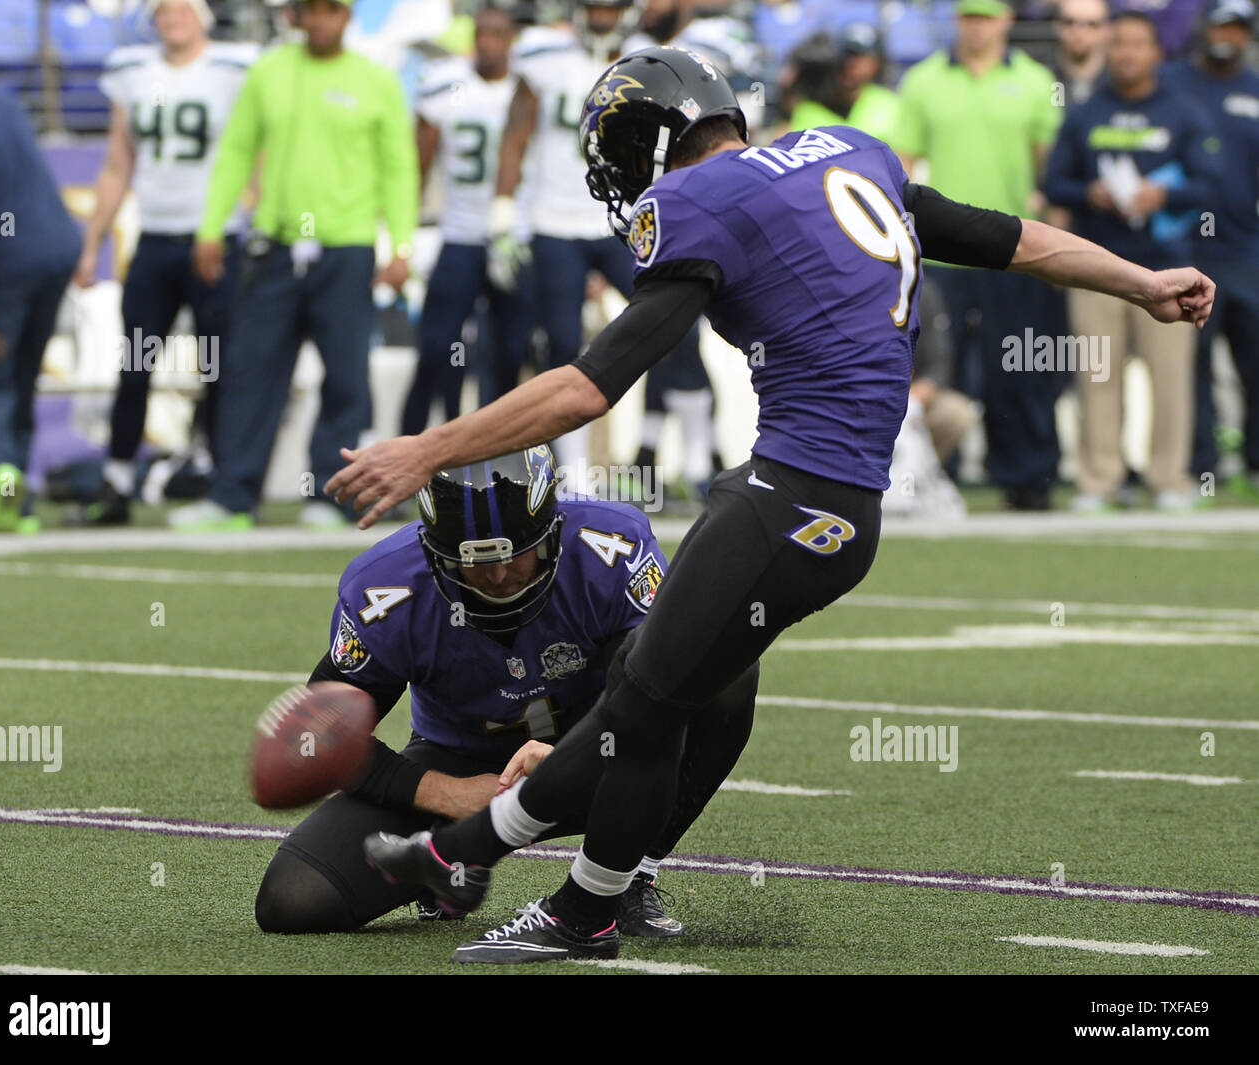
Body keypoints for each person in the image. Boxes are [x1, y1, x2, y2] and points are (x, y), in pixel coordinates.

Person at [329, 47, 1213, 964]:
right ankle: (531, 884)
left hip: (793, 492)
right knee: (655, 694)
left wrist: (427, 449)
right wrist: (1141, 280)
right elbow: (1012, 237)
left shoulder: (698, 203)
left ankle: (503, 877)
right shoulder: (846, 148)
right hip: (840, 506)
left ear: (653, 144)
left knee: (641, 695)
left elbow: (591, 388)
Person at [255, 445, 758, 937]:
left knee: (725, 674)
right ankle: (448, 863)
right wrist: (442, 791)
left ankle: (623, 876)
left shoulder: (611, 546)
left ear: (551, 531)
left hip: (605, 748)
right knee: (295, 899)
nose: (496, 575)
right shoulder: (386, 590)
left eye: (515, 554)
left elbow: (662, 684)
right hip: (460, 760)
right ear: (434, 550)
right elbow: (320, 734)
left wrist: (576, 756)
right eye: (473, 561)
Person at [170, 0, 418, 531]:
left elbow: (399, 168)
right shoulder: (270, 70)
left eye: (332, 10)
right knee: (250, 371)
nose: (321, 20)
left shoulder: (375, 80)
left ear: (348, 17)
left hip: (347, 248)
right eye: (313, 10)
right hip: (276, 247)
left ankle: (329, 497)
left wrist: (401, 247)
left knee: (346, 377)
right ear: (299, 16)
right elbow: (237, 150)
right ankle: (232, 496)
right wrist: (211, 227)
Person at [490, 0, 714, 497]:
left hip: (625, 220)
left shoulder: (649, 62)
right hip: (554, 222)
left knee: (679, 329)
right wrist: (502, 212)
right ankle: (572, 479)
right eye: (594, 6)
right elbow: (515, 135)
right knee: (563, 345)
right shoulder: (544, 57)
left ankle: (699, 462)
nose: (602, 15)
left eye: (610, 7)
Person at [75, 0, 258, 525]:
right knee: (135, 365)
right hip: (154, 240)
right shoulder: (133, 71)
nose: (171, 15)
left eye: (182, 7)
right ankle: (115, 483)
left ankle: (224, 486)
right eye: (163, 8)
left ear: (203, 15)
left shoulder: (232, 69)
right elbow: (117, 165)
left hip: (215, 240)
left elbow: (253, 155)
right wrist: (92, 244)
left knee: (218, 366)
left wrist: (253, 221)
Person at [890, 0, 1064, 510]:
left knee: (1018, 364)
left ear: (1007, 21)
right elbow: (903, 161)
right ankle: (940, 474)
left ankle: (1028, 476)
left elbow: (1044, 166)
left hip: (1014, 248)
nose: (977, 26)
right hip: (942, 252)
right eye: (969, 16)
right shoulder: (923, 81)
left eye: (986, 16)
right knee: (946, 368)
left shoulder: (1034, 82)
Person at [1044, 10, 1218, 510]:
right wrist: (1090, 193)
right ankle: (1099, 480)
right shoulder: (1084, 113)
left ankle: (1168, 479)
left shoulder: (1183, 112)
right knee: (1098, 377)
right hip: (1096, 266)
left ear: (1156, 52)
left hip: (1169, 267)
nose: (1126, 53)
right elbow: (1054, 183)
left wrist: (1163, 198)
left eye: (1137, 44)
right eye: (1117, 43)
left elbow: (1212, 187)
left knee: (1171, 378)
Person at [403, 3, 533, 433]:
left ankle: (499, 462)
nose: (488, 43)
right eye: (482, 34)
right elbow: (416, 167)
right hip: (459, 234)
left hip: (512, 239)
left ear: (511, 38)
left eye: (497, 34)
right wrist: (402, 236)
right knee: (438, 347)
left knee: (510, 353)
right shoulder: (447, 87)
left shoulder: (528, 89)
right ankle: (414, 441)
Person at [0, 86, 81, 533]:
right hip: (57, 247)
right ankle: (17, 501)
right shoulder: (2, 101)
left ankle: (1, 484)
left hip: (7, 258)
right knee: (18, 376)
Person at [1163, 0, 1259, 498]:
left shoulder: (1256, 88)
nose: (1228, 35)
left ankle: (1256, 464)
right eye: (1221, 24)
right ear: (1204, 28)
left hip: (1247, 251)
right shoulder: (1172, 83)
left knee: (1255, 362)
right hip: (1183, 251)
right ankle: (1201, 470)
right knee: (1190, 368)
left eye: (1237, 27)